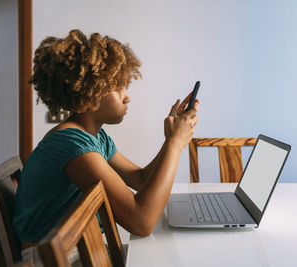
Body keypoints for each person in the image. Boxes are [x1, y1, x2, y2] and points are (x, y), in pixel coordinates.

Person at [13, 29, 199, 265]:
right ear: (89, 92)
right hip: (53, 259)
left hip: (79, 248)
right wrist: (175, 143)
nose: (127, 97)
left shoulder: (95, 138)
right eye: (117, 87)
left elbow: (141, 179)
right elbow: (141, 222)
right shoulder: (71, 145)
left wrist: (170, 139)